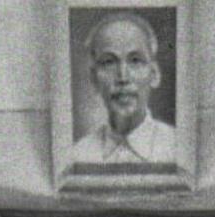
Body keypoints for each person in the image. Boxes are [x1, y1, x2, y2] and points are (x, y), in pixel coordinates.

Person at [72, 12, 176, 165]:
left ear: (154, 74)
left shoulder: (178, 149)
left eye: (135, 60)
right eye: (109, 62)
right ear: (94, 79)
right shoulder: (77, 156)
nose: (123, 77)